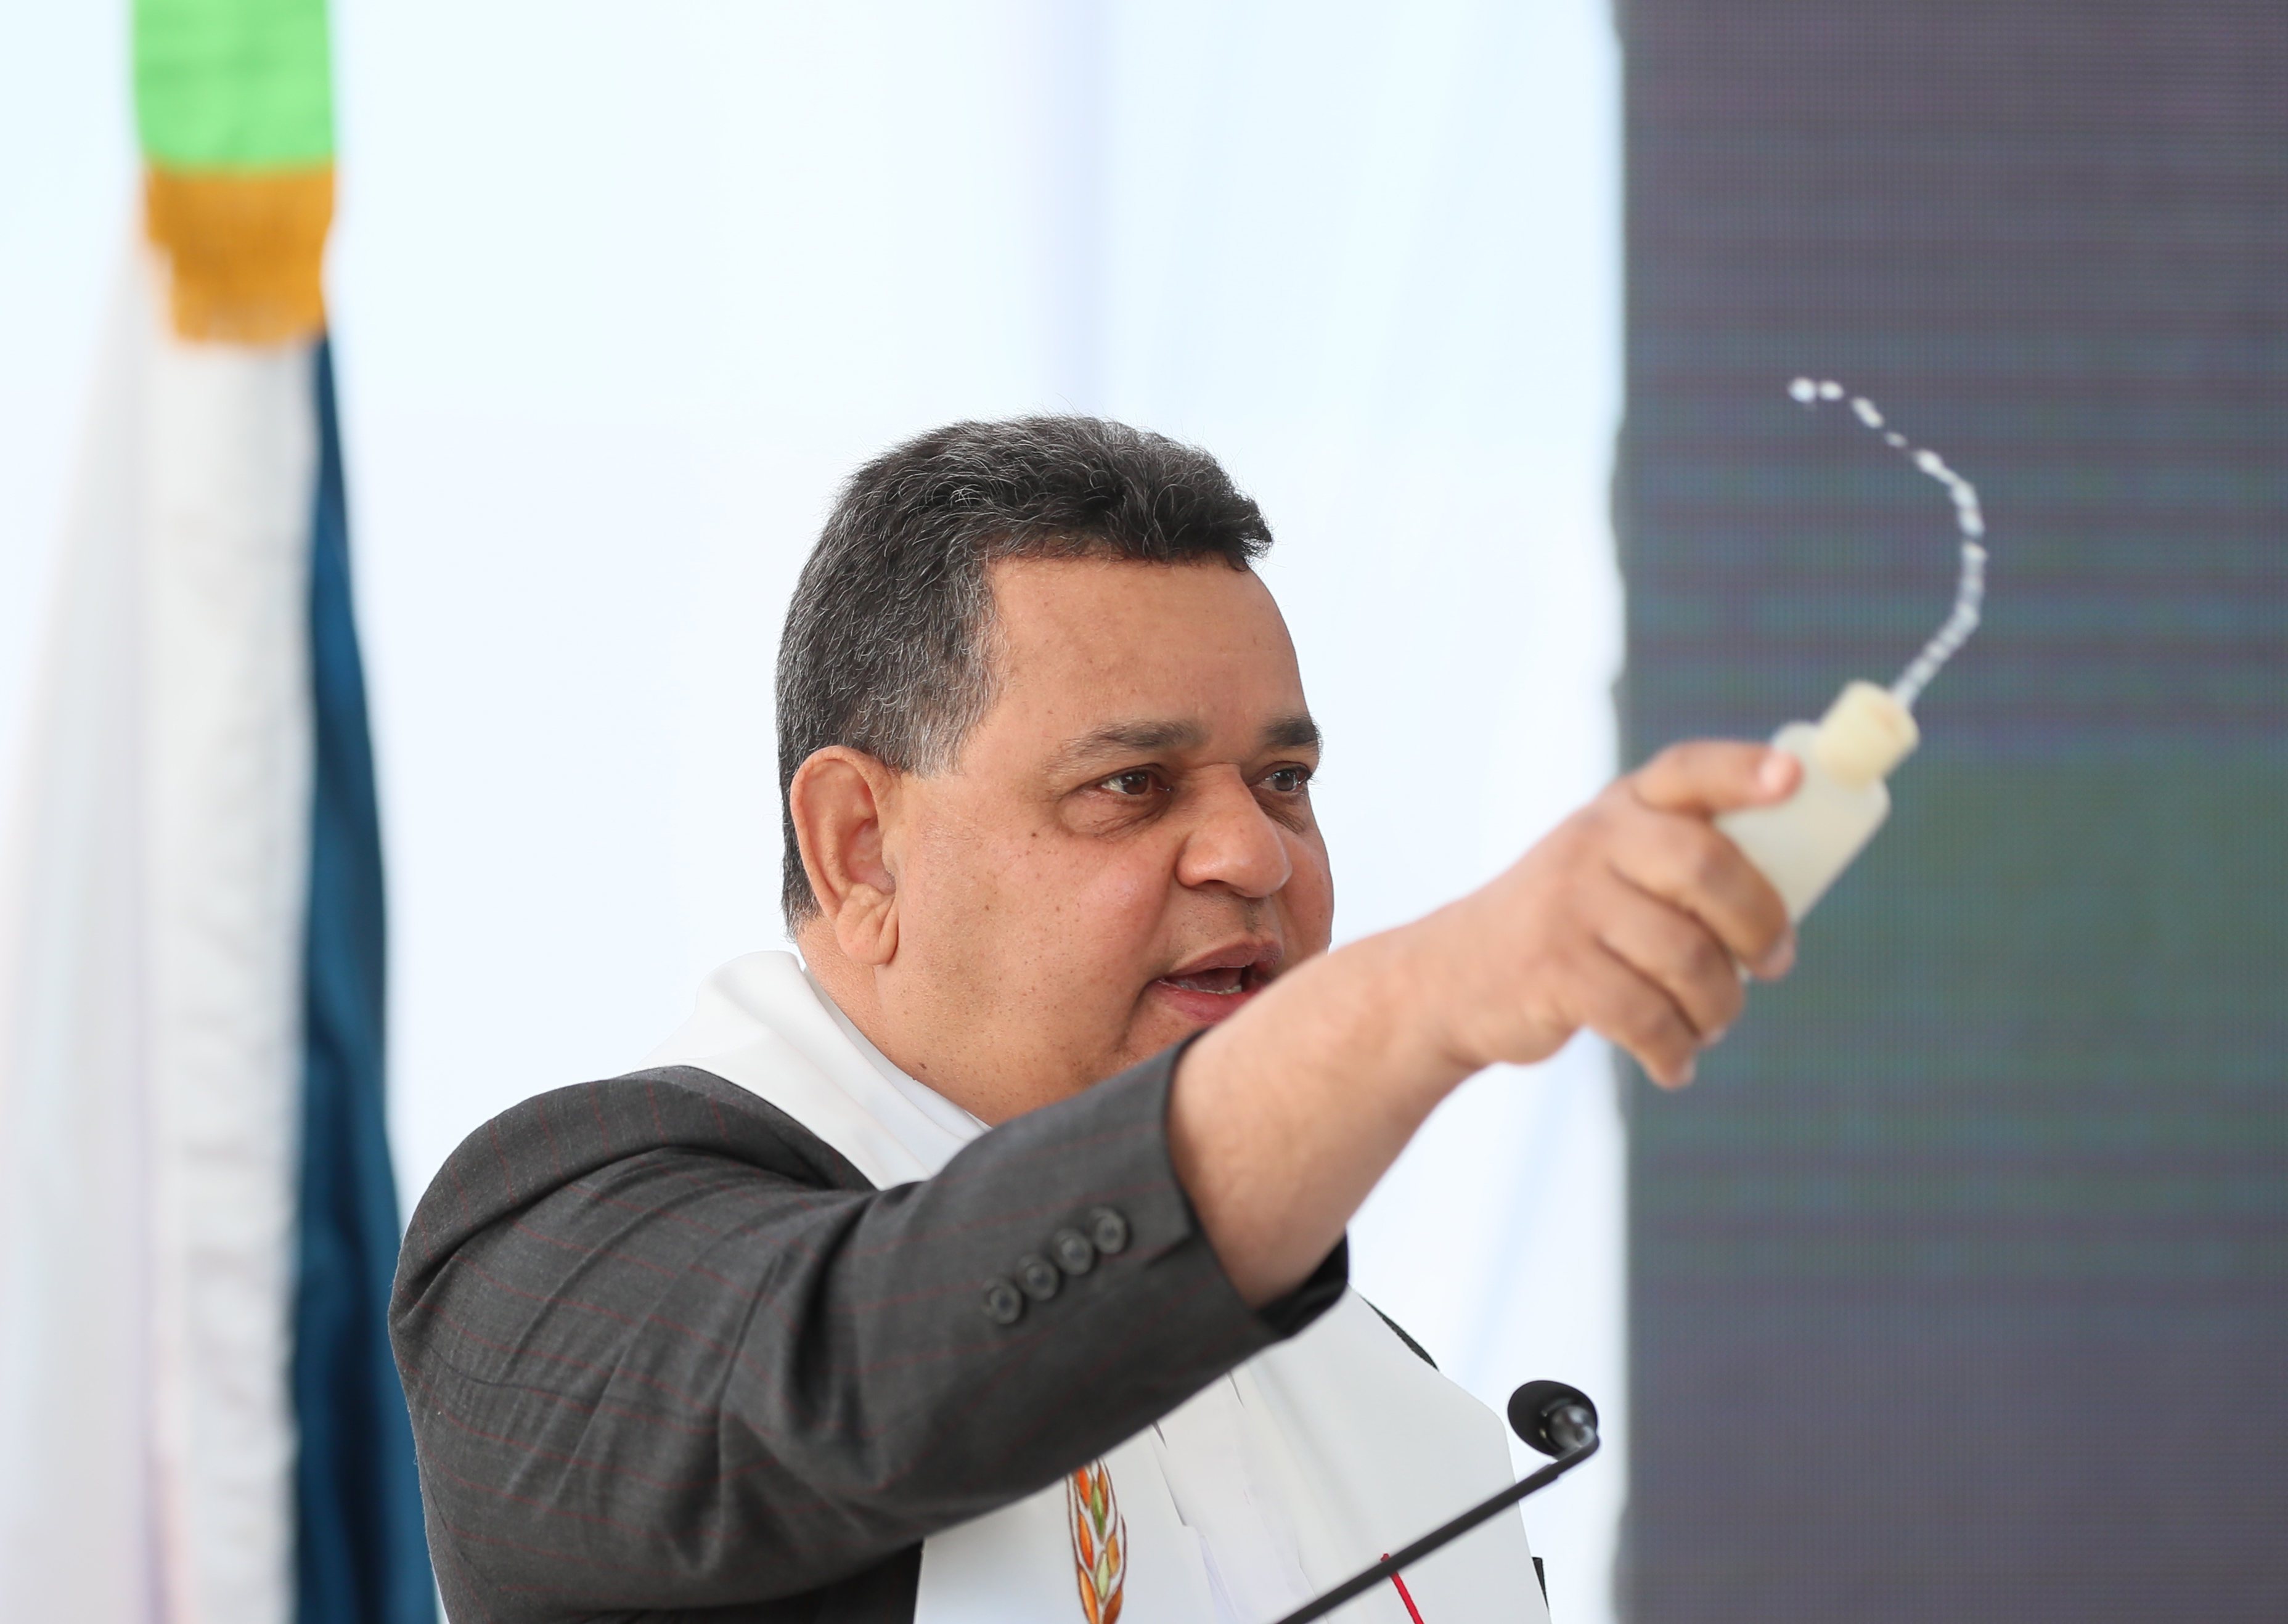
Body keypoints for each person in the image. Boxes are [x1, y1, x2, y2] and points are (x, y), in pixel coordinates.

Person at [391, 417, 1798, 1624]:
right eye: (1131, 786)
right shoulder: (560, 1248)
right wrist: (1420, 998)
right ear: (861, 850)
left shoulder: (1383, 1387)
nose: (1253, 854)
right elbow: (866, 1367)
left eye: (1284, 780)